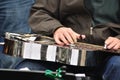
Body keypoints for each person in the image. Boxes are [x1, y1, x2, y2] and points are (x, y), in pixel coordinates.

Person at [29, 0, 120, 80]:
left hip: (109, 55)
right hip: (65, 54)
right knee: (28, 70)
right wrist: (57, 28)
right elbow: (39, 13)